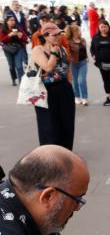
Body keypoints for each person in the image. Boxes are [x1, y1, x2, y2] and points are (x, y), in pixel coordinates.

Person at [31, 22, 76, 150]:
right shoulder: (37, 50)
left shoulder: (62, 48)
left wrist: (69, 84)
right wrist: (54, 53)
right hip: (46, 91)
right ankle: (50, 155)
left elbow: (68, 68)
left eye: (59, 34)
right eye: (54, 35)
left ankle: (65, 152)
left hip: (64, 89)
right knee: (49, 126)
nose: (58, 37)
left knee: (67, 124)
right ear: (45, 36)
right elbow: (48, 67)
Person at [65, 24, 89, 106]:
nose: (80, 31)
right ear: (74, 32)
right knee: (75, 81)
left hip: (83, 62)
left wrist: (87, 57)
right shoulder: (68, 41)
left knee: (81, 80)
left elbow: (84, 50)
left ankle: (84, 98)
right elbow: (67, 53)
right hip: (73, 64)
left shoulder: (83, 40)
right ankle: (77, 96)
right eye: (78, 30)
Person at [0, 15, 28, 86]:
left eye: (14, 20)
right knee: (11, 66)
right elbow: (2, 40)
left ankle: (22, 82)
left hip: (18, 48)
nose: (13, 22)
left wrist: (21, 36)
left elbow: (26, 38)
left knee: (19, 66)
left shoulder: (18, 28)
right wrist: (9, 35)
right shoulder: (3, 30)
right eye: (11, 20)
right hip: (8, 50)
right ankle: (13, 78)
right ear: (6, 21)